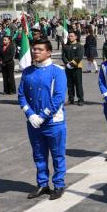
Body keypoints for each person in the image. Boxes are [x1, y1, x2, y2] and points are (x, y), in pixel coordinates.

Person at [17, 38, 68, 200]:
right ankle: (42, 184)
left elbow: (58, 97)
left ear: (48, 52)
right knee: (38, 155)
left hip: (53, 122)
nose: (35, 52)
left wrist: (43, 115)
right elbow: (21, 95)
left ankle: (59, 185)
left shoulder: (57, 71)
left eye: (39, 49)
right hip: (33, 122)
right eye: (34, 49)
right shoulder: (27, 71)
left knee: (57, 155)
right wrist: (30, 114)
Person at [62, 31, 84, 106]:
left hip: (77, 67)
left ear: (76, 37)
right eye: (69, 36)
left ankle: (80, 99)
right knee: (69, 84)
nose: (70, 37)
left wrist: (71, 64)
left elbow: (79, 56)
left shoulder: (79, 46)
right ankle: (70, 99)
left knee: (78, 84)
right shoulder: (65, 46)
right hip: (68, 68)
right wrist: (67, 63)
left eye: (72, 36)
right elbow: (63, 56)